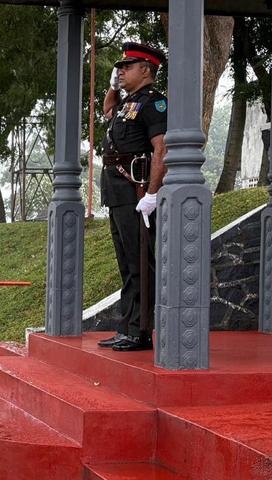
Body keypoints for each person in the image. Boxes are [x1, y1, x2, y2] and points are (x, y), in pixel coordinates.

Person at [96, 41, 168, 352]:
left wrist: (152, 194)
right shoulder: (129, 103)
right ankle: (127, 326)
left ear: (146, 70)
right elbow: (107, 110)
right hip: (117, 192)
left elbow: (161, 149)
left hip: (135, 191)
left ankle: (141, 330)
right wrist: (113, 87)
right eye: (120, 68)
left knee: (140, 262)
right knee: (126, 263)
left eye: (127, 67)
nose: (121, 71)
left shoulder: (154, 103)